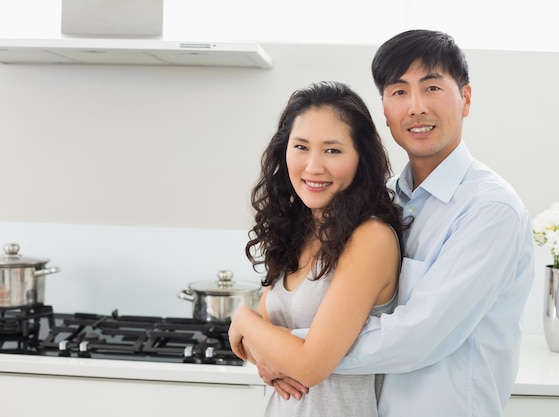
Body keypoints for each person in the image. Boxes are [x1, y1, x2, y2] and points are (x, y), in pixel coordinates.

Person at [239, 30, 536, 417]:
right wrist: (267, 341)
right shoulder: (381, 199)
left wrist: (279, 345)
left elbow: (419, 337)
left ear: (465, 98)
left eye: (431, 88)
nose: (415, 107)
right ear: (384, 109)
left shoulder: (491, 211)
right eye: (399, 92)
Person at [228, 80, 404, 416]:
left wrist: (241, 317)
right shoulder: (300, 227)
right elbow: (254, 345)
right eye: (301, 147)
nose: (313, 166)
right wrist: (265, 342)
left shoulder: (371, 237)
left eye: (333, 150)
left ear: (360, 158)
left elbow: (310, 366)